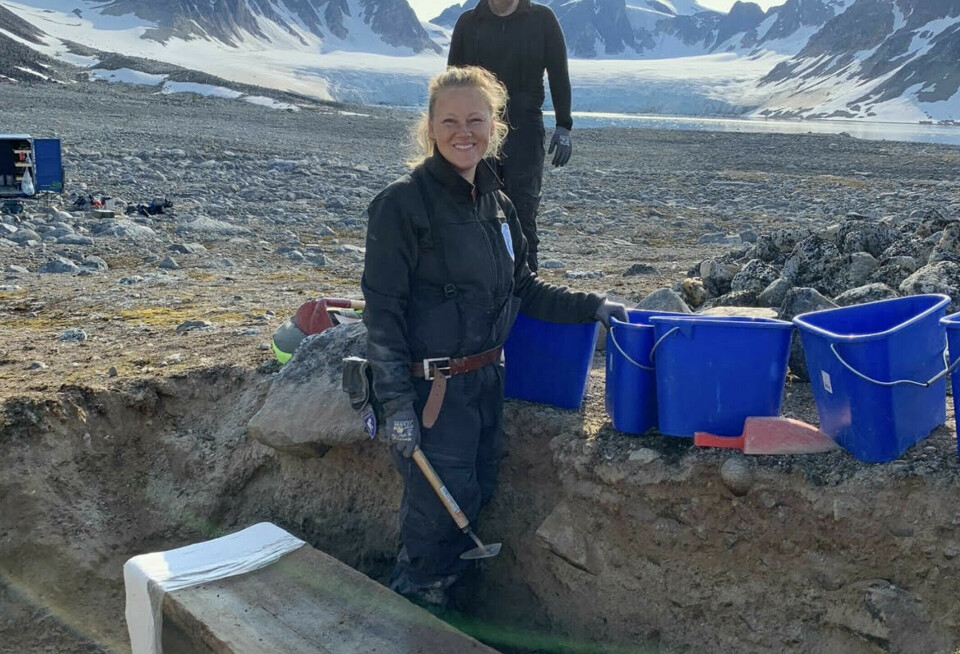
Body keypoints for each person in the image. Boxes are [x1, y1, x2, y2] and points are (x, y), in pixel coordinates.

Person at [361, 66, 625, 609]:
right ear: (430, 127)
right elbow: (382, 313)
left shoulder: (499, 206)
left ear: (495, 127)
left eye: (476, 120)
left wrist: (593, 307)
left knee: (471, 504)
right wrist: (395, 405)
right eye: (451, 120)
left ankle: (449, 621)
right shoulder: (401, 205)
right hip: (431, 398)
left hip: (484, 386)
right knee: (434, 526)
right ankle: (412, 622)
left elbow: (522, 288)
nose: (465, 132)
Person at [448, 0, 573, 273]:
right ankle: (479, 287)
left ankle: (527, 288)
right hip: (477, 129)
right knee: (474, 209)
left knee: (523, 212)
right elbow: (452, 83)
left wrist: (564, 126)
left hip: (524, 129)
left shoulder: (542, 20)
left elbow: (558, 73)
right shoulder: (469, 24)